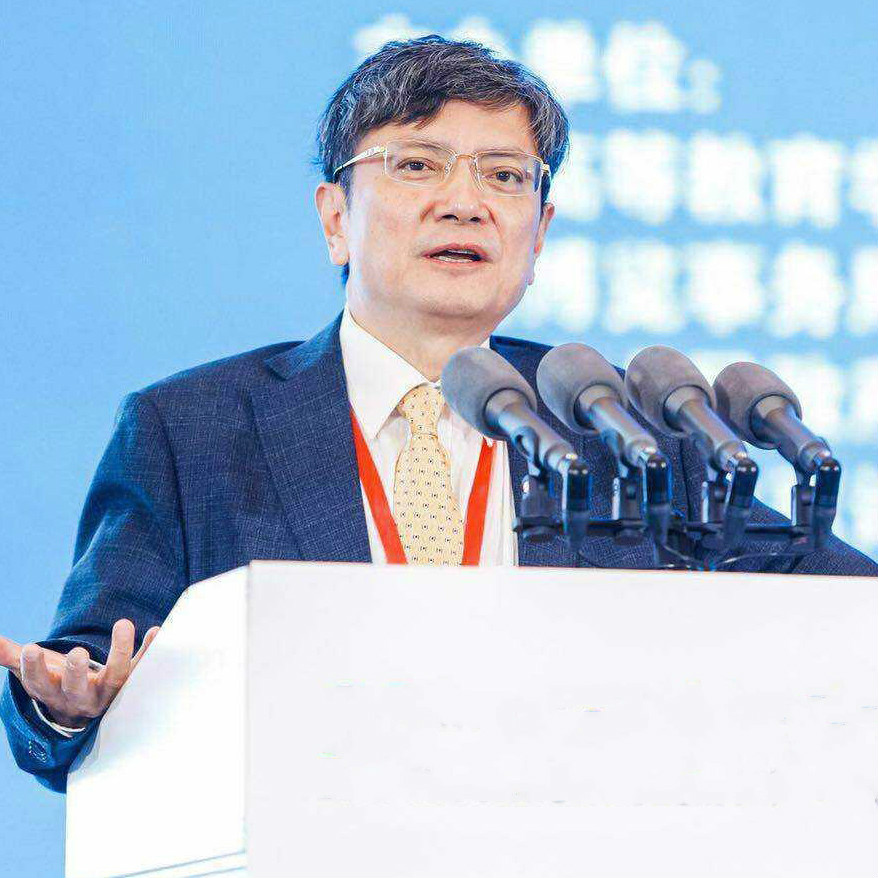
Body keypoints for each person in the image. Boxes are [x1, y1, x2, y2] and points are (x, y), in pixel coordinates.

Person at [2, 36, 876, 795]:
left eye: (505, 176)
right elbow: (83, 670)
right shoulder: (191, 429)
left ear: (539, 232)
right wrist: (67, 703)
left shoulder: (619, 422)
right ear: (335, 217)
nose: (465, 201)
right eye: (418, 165)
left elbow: (843, 606)